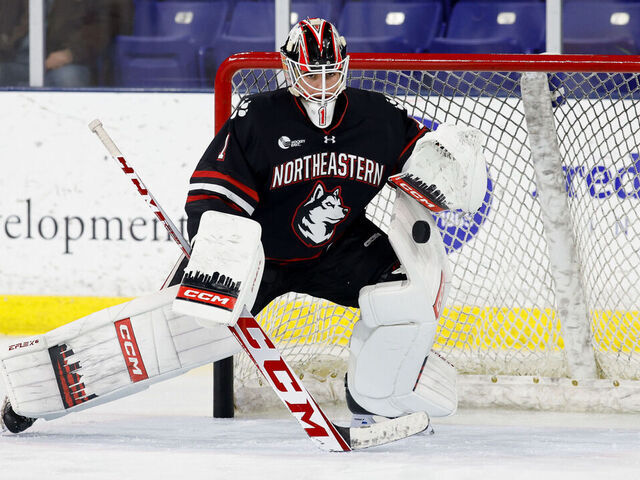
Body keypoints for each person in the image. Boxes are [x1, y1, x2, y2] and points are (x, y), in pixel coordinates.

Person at [1, 18, 486, 433]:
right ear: (289, 70)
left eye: (329, 74)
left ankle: (374, 398)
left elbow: (427, 158)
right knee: (171, 336)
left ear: (344, 68)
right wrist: (220, 252)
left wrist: (456, 164)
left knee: (407, 295)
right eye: (310, 75)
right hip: (261, 258)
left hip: (340, 249)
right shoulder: (258, 118)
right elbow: (212, 194)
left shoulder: (376, 116)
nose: (320, 86)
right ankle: (37, 398)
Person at [0, 0, 132, 87]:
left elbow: (109, 21)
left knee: (69, 78)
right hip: (15, 59)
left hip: (65, 62)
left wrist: (71, 53)